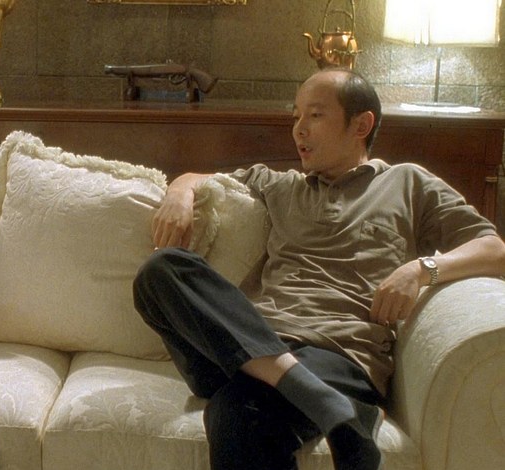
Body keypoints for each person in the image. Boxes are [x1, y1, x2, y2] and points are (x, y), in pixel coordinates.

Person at [133, 68, 505, 470]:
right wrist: (180, 193)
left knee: (235, 412)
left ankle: (314, 394)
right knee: (161, 269)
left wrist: (421, 269)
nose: (299, 129)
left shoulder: (407, 183)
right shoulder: (279, 184)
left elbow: (494, 250)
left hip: (337, 354)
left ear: (361, 125)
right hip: (242, 347)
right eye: (296, 116)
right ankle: (325, 403)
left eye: (315, 115)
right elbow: (199, 177)